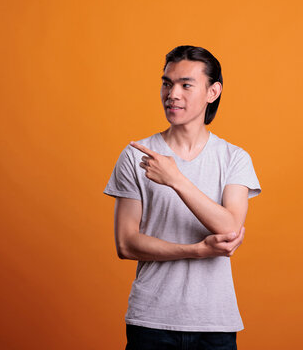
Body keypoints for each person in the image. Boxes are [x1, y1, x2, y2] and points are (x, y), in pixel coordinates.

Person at [104, 45, 262, 350]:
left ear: (212, 92)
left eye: (185, 85)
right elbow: (125, 243)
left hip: (215, 324)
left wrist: (176, 179)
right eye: (167, 83)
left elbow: (229, 228)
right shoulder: (136, 156)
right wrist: (197, 251)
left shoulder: (234, 158)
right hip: (151, 322)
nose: (172, 94)